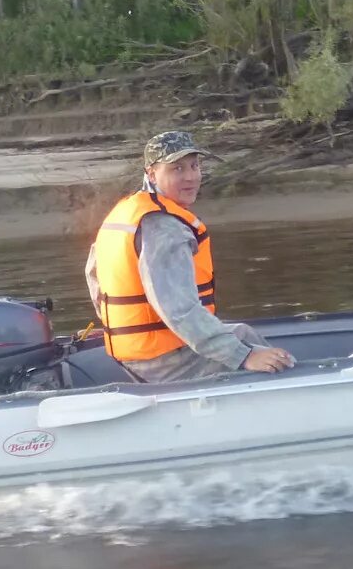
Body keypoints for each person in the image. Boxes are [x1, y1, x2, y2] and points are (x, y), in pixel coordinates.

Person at [86, 130, 296, 382]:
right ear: (152, 173)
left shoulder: (126, 212)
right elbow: (179, 310)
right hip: (163, 360)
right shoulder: (164, 228)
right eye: (177, 169)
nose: (191, 177)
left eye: (194, 166)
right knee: (268, 360)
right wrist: (242, 357)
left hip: (137, 354)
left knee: (242, 332)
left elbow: (93, 277)